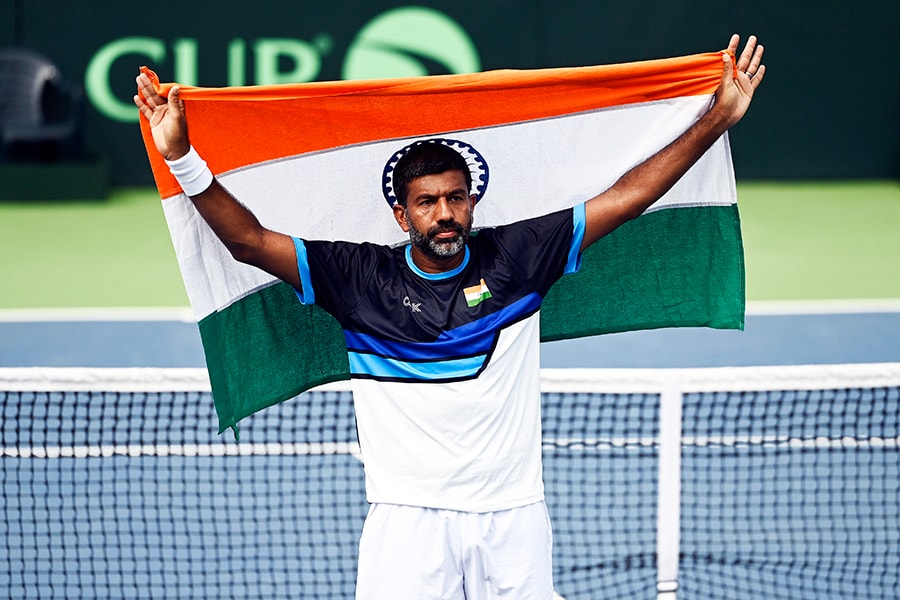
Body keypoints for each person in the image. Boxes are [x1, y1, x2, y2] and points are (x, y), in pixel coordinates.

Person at [135, 34, 764, 600]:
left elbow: (627, 197)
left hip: (511, 514)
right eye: (428, 202)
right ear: (402, 216)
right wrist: (184, 158)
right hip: (407, 521)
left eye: (456, 198)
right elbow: (248, 241)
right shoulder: (356, 279)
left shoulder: (519, 257)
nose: (445, 213)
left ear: (471, 201)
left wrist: (715, 119)